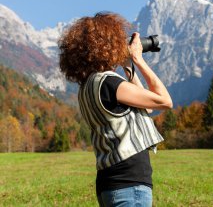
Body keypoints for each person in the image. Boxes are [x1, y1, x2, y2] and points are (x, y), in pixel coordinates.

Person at [58, 12, 172, 207]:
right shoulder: (109, 83)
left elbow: (146, 107)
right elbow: (164, 101)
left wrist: (127, 66)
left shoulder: (88, 86)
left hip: (109, 182)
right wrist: (138, 60)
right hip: (130, 185)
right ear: (105, 47)